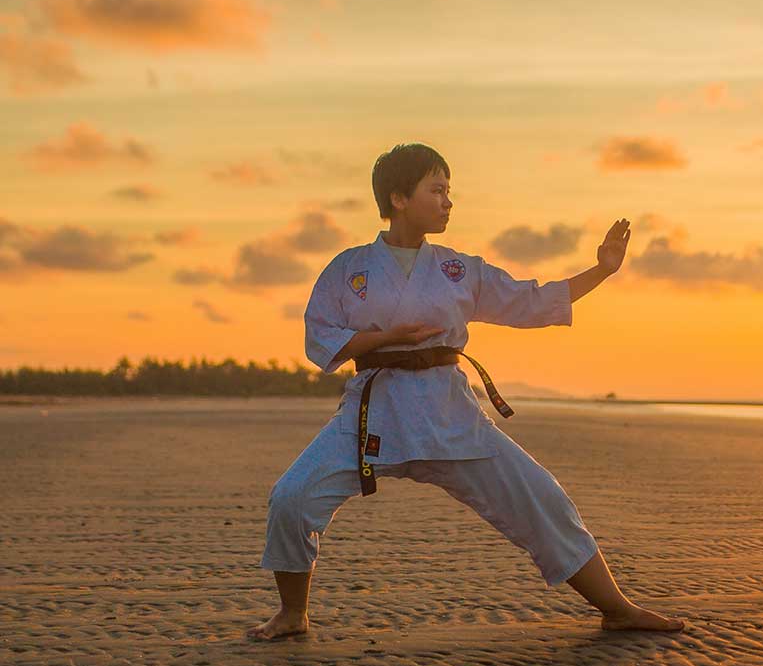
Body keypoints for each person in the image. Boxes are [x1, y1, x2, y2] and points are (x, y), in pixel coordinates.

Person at [247, 143, 684, 640]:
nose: (448, 201)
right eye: (437, 190)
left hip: (449, 413)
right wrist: (386, 338)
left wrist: (602, 270)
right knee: (292, 496)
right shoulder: (349, 269)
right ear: (398, 198)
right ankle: (292, 613)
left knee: (540, 497)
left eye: (449, 191)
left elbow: (531, 302)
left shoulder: (459, 270)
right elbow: (318, 335)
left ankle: (617, 607)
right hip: (374, 411)